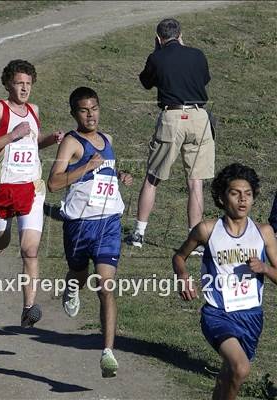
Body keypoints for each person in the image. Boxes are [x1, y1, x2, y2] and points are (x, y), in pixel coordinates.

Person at [172, 163, 277, 400]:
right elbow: (179, 256)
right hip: (218, 314)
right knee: (241, 368)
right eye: (235, 193)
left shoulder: (264, 232)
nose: (242, 200)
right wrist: (183, 276)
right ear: (221, 197)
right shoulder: (208, 230)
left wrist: (265, 268)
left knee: (229, 375)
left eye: (248, 194)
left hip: (251, 316)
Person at [48, 87, 132, 378]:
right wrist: (84, 168)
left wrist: (119, 175)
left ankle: (108, 351)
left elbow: (106, 171)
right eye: (84, 110)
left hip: (108, 221)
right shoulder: (72, 143)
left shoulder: (107, 139)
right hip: (80, 224)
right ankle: (72, 286)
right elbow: (54, 183)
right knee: (79, 275)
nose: (91, 114)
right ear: (75, 114)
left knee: (106, 286)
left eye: (94, 108)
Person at [0, 59, 64, 328]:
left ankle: (28, 308)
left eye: (28, 84)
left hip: (31, 190)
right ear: (8, 84)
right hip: (3, 189)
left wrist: (50, 139)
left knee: (30, 251)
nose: (24, 89)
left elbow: (33, 143)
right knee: (1, 243)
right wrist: (12, 135)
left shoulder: (34, 110)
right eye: (19, 83)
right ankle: (2, 235)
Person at [127, 18, 215, 255]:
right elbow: (203, 80)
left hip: (172, 116)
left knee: (153, 176)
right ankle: (194, 239)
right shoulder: (197, 54)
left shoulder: (157, 57)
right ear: (181, 34)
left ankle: (139, 232)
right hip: (199, 117)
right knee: (195, 181)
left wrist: (158, 54)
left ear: (159, 38)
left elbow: (146, 82)